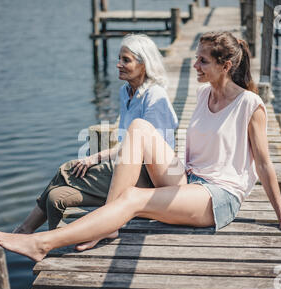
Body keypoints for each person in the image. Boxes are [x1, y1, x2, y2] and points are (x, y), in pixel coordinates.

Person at [0, 31, 281, 263]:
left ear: (225, 65)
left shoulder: (250, 105)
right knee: (140, 127)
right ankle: (109, 225)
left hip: (219, 196)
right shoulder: (203, 95)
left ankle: (41, 243)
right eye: (195, 59)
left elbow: (263, 165)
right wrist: (178, 169)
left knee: (135, 197)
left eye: (202, 61)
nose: (195, 66)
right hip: (190, 180)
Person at [12, 34, 178, 251]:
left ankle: (25, 231)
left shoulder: (155, 96)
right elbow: (125, 143)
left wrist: (96, 157)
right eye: (119, 58)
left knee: (67, 170)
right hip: (125, 166)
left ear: (144, 64)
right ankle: (53, 249)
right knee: (56, 197)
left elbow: (149, 149)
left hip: (147, 177)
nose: (118, 64)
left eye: (125, 60)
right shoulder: (126, 92)